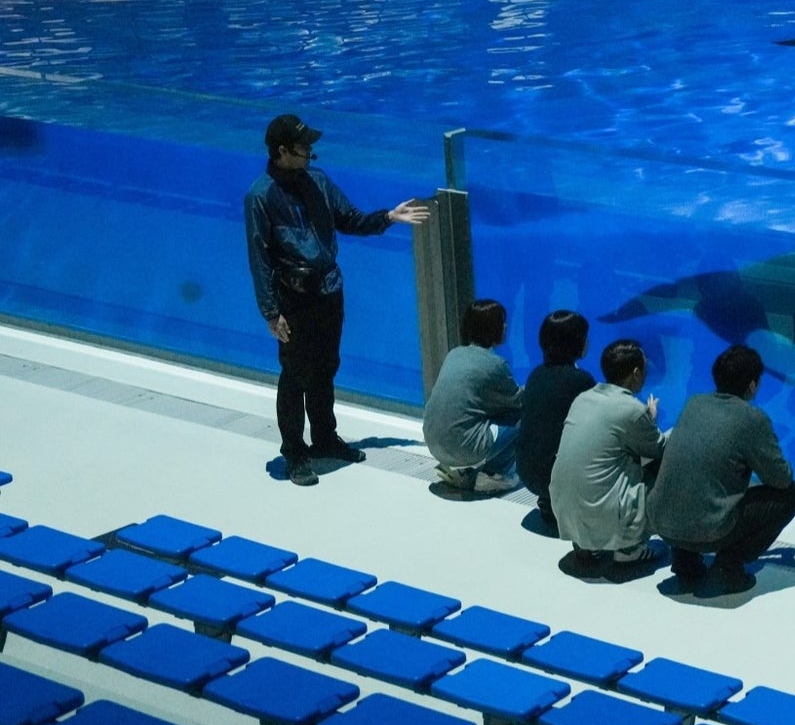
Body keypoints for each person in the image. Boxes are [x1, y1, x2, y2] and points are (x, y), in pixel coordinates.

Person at [244, 113, 429, 487]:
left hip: (329, 291)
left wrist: (388, 217)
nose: (311, 151)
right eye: (303, 147)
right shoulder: (260, 197)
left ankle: (325, 437)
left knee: (326, 367)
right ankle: (294, 451)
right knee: (295, 375)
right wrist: (270, 311)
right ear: (282, 151)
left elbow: (349, 219)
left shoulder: (319, 181)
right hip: (293, 299)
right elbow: (259, 256)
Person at [648, 344, 795, 596]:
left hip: (661, 523)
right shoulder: (752, 418)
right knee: (792, 495)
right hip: (709, 530)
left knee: (693, 483)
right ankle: (729, 565)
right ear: (752, 386)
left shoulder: (693, 404)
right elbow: (780, 479)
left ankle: (685, 559)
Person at [550, 339, 665, 572]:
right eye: (644, 368)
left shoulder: (583, 398)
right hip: (604, 514)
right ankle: (628, 548)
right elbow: (659, 448)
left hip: (563, 511)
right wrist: (651, 418)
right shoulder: (631, 409)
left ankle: (586, 543)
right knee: (666, 466)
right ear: (635, 373)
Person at [423, 299, 524, 495]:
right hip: (462, 448)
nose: (506, 326)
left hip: (433, 443)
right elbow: (517, 400)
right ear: (492, 328)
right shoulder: (495, 364)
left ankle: (463, 470)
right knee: (523, 416)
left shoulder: (454, 354)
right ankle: (494, 475)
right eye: (501, 322)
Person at [517, 310, 597, 533]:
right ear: (576, 343)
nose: (588, 341)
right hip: (555, 478)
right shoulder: (581, 380)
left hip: (527, 473)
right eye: (584, 337)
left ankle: (550, 501)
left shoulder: (535, 375)